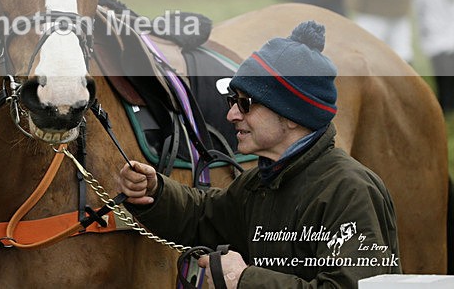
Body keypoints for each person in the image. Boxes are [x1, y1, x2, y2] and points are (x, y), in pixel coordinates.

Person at [118, 21, 400, 287]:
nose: (231, 115)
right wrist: (155, 191)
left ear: (291, 115)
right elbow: (202, 216)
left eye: (245, 103)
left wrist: (243, 281)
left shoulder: (351, 191)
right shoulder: (259, 184)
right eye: (232, 102)